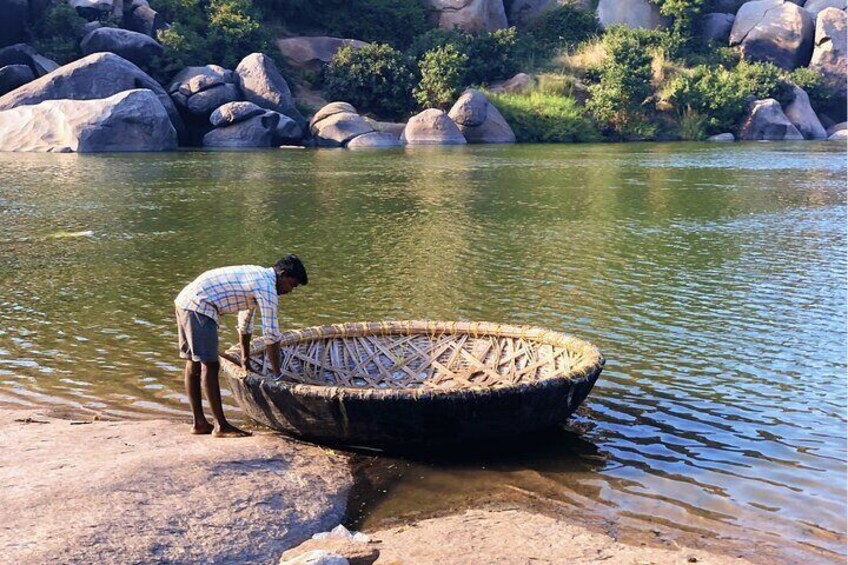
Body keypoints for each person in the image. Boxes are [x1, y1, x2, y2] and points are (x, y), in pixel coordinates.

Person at [174, 254, 308, 437]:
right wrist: (278, 375)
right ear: (282, 274)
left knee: (194, 363)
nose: (290, 291)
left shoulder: (258, 277)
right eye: (292, 285)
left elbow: (245, 323)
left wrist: (245, 359)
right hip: (199, 305)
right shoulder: (267, 286)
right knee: (210, 365)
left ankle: (200, 424)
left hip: (186, 301)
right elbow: (271, 334)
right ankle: (220, 426)